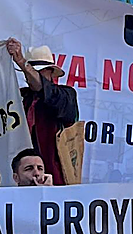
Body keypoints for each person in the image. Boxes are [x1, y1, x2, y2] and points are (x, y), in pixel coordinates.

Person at [5, 39, 78, 186]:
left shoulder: (66, 95)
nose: (31, 75)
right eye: (31, 71)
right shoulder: (21, 96)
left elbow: (48, 92)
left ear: (51, 73)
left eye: (38, 71)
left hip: (55, 179)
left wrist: (22, 63)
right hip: (22, 177)